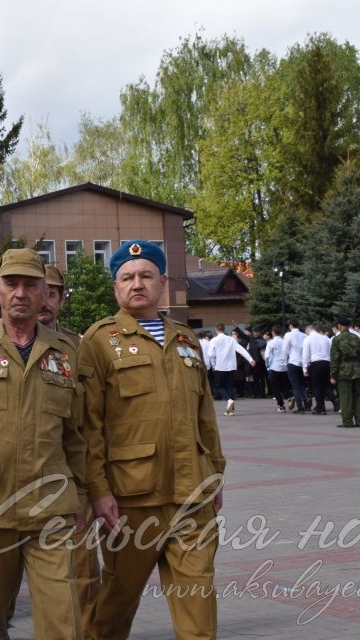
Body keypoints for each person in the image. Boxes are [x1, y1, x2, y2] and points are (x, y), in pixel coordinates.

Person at [79, 240, 224, 640]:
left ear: (162, 282)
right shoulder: (98, 341)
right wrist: (99, 490)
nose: (136, 284)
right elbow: (90, 426)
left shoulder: (186, 340)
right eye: (126, 277)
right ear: (115, 287)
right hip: (130, 499)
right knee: (117, 601)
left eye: (145, 275)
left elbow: (205, 416)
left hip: (191, 495)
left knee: (198, 605)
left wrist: (216, 474)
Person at [0, 249, 87, 640]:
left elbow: (77, 435)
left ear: (46, 293)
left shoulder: (67, 353)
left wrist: (85, 495)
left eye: (31, 284)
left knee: (64, 619)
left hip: (51, 504)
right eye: (12, 284)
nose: (21, 293)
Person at [208, 323, 254, 416]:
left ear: (216, 330)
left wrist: (215, 360)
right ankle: (231, 410)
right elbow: (241, 349)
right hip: (232, 367)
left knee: (218, 386)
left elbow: (210, 354)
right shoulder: (231, 339)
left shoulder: (214, 340)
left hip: (220, 366)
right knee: (229, 387)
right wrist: (250, 359)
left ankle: (229, 400)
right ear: (224, 329)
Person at [329, 318, 360, 428]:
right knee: (358, 396)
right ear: (349, 326)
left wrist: (333, 374)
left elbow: (335, 359)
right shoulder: (357, 338)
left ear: (339, 326)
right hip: (358, 369)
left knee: (345, 397)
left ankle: (348, 421)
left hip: (344, 370)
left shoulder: (337, 339)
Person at [302, 325, 332, 415]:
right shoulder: (325, 338)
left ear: (308, 330)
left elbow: (305, 354)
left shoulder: (308, 339)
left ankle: (320, 408)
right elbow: (330, 351)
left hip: (316, 363)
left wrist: (304, 368)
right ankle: (326, 403)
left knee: (317, 387)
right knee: (325, 385)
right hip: (326, 362)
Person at [283, 320, 309, 413]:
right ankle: (307, 402)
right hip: (302, 363)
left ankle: (300, 407)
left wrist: (285, 362)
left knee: (295, 386)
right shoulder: (304, 335)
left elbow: (285, 349)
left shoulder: (288, 335)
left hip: (293, 361)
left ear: (290, 326)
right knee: (302, 384)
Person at [264, 325, 289, 413]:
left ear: (273, 332)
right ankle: (289, 397)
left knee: (276, 388)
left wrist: (267, 365)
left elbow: (266, 356)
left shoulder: (271, 342)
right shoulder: (284, 341)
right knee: (284, 385)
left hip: (275, 367)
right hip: (285, 367)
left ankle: (281, 405)